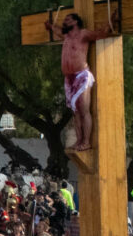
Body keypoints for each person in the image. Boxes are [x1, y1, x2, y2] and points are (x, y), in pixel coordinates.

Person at [45, 12, 115, 151]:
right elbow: (57, 30)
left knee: (83, 109)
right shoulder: (66, 36)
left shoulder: (83, 34)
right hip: (69, 78)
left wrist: (110, 22)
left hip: (81, 75)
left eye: (68, 19)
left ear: (75, 22)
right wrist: (51, 26)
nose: (64, 22)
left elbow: (100, 34)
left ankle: (86, 141)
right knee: (75, 112)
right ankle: (79, 141)